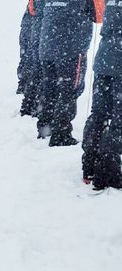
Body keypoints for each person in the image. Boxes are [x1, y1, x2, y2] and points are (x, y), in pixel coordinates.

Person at [36, 0, 101, 146]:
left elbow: (37, 9)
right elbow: (99, 14)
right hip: (70, 48)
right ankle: (61, 133)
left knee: (49, 89)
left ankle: (45, 127)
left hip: (47, 46)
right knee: (69, 91)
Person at [82, 1, 122, 190]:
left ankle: (89, 165)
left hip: (105, 59)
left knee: (99, 114)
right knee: (118, 120)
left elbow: (97, 14)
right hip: (117, 60)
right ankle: (108, 173)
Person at [17, 0, 44, 117]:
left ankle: (26, 89)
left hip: (33, 24)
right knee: (36, 65)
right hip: (38, 26)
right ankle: (32, 101)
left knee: (30, 59)